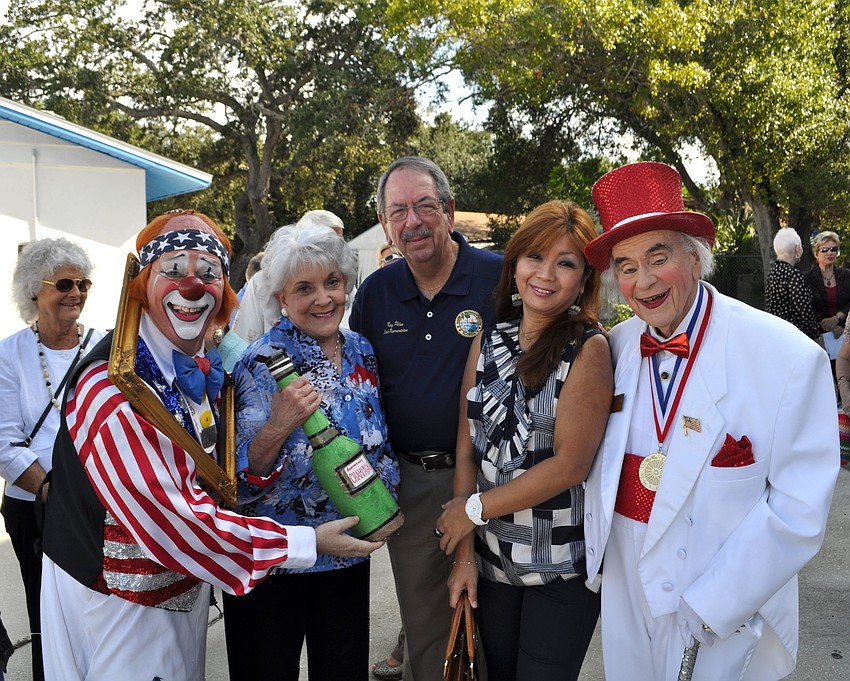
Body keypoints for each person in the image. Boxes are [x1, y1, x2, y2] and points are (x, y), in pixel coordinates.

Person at [39, 209, 380, 681]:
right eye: (174, 271)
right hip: (115, 600)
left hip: (186, 588)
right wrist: (303, 542)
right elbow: (169, 517)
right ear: (142, 285)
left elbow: (217, 476)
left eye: (208, 274)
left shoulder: (201, 364)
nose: (192, 286)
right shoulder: (110, 386)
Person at [581, 161, 838, 680]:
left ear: (696, 258)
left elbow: (799, 506)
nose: (644, 281)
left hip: (725, 606)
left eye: (659, 257)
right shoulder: (611, 348)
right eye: (627, 266)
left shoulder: (786, 357)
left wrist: (717, 601)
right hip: (626, 590)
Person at [435, 200, 613, 681]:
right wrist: (466, 556)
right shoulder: (488, 339)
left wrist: (471, 510)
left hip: (559, 570)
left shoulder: (589, 349)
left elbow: (568, 467)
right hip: (491, 566)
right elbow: (466, 445)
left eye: (566, 263)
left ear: (583, 280)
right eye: (534, 256)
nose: (546, 274)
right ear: (514, 264)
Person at [223, 223, 400, 681]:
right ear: (281, 296)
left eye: (332, 283)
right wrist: (280, 424)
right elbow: (239, 478)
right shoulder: (260, 360)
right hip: (276, 557)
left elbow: (377, 438)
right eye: (304, 288)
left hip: (346, 550)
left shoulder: (361, 349)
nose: (323, 299)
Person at [350, 156, 503, 681]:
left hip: (499, 481)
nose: (412, 220)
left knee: (501, 625)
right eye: (398, 211)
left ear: (450, 211)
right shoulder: (375, 293)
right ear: (387, 225)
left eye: (424, 206)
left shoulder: (500, 277)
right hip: (412, 487)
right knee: (428, 627)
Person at [0, 238, 106, 681]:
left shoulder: (108, 346)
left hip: (102, 506)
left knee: (103, 618)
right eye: (63, 283)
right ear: (33, 291)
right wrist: (52, 492)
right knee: (50, 621)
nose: (76, 293)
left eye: (83, 283)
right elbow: (5, 442)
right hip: (36, 509)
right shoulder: (9, 354)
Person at [232, 210, 354, 342]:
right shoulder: (262, 282)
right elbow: (243, 340)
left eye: (339, 240)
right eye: (304, 289)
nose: (323, 300)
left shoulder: (345, 287)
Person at [764, 228, 820, 338]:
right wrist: (816, 333)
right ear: (797, 248)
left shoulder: (773, 273)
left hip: (776, 332)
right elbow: (804, 311)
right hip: (794, 334)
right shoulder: (793, 276)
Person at [806, 230, 850, 367]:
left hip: (844, 333)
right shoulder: (807, 279)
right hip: (819, 336)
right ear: (816, 254)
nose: (830, 253)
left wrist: (837, 319)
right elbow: (807, 306)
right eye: (825, 250)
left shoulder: (846, 275)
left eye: (833, 249)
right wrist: (830, 326)